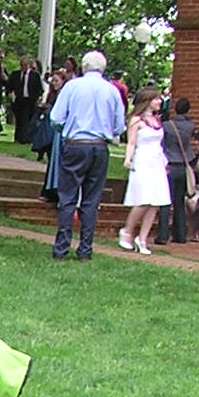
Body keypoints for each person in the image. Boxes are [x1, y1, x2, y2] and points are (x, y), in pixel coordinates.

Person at [47, 51, 125, 261]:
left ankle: (61, 248)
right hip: (99, 146)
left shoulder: (72, 87)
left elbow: (55, 118)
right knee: (91, 199)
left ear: (83, 66)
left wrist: (66, 129)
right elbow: (119, 126)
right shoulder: (112, 91)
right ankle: (85, 249)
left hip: (75, 144)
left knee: (67, 197)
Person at [117, 88, 170, 254]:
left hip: (157, 161)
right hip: (143, 160)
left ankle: (142, 238)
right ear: (147, 101)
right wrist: (128, 158)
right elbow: (131, 142)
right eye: (156, 99)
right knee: (143, 199)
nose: (159, 102)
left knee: (155, 202)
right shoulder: (136, 120)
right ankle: (127, 231)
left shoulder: (157, 120)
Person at [162, 96, 196, 245]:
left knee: (165, 201)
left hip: (170, 164)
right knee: (180, 201)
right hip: (183, 165)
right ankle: (180, 235)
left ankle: (163, 235)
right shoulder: (190, 126)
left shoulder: (167, 126)